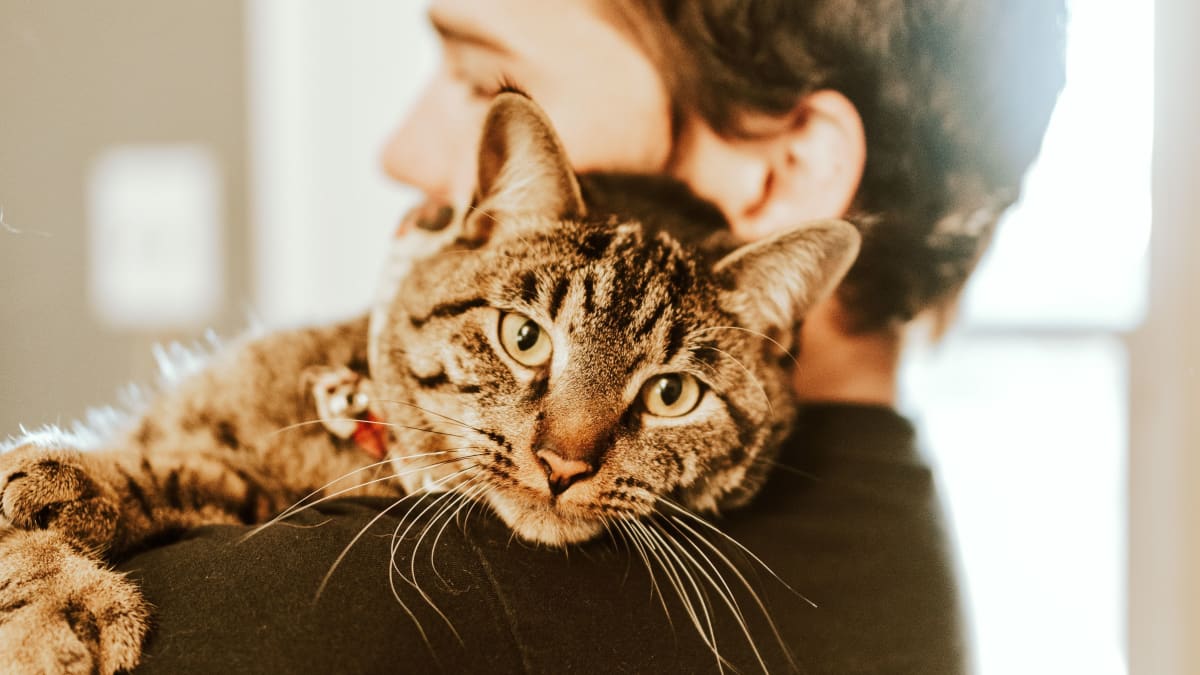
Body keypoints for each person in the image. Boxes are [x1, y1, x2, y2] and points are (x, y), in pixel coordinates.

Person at [118, 1, 1065, 672]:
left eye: (480, 75)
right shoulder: (895, 546)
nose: (403, 151)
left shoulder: (375, 604)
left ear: (786, 173)